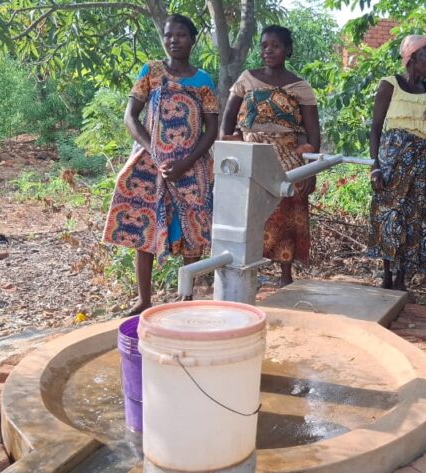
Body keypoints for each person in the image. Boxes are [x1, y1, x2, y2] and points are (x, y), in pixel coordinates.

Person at [103, 14, 218, 315]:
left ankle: (187, 295)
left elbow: (211, 129)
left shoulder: (203, 80)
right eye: (168, 35)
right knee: (146, 227)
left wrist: (186, 162)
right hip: (151, 162)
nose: (173, 40)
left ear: (193, 40)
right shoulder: (151, 71)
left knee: (192, 231)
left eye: (180, 35)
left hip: (191, 166)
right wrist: (154, 152)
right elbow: (131, 117)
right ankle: (144, 298)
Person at [220, 25, 321, 287]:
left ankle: (285, 276)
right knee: (249, 213)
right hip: (250, 156)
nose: (268, 50)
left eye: (275, 45)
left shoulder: (300, 86)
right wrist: (227, 151)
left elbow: (313, 132)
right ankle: (247, 273)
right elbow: (228, 120)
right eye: (264, 45)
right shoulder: (247, 79)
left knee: (285, 214)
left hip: (287, 159)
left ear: (287, 50)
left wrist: (311, 169)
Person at [367, 31, 426, 291]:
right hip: (392, 162)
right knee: (390, 216)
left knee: (415, 219)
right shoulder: (390, 85)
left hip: (421, 164)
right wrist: (375, 167)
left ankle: (402, 279)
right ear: (412, 58)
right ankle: (388, 275)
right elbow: (376, 129)